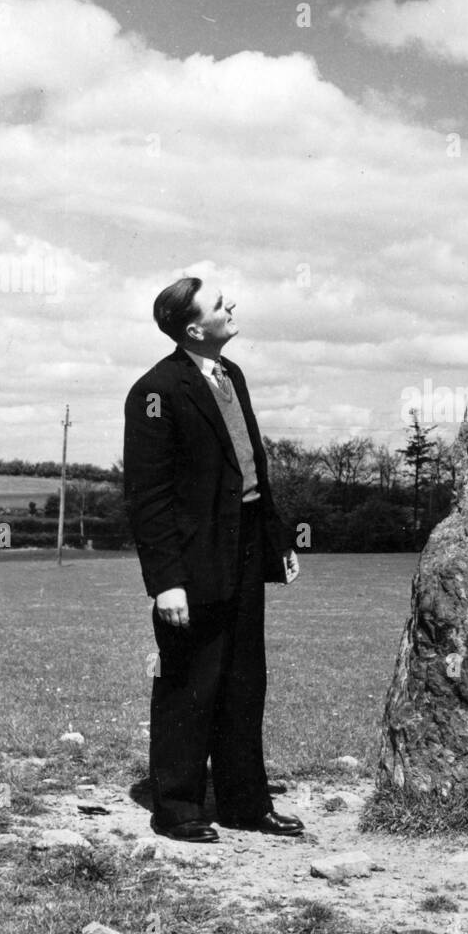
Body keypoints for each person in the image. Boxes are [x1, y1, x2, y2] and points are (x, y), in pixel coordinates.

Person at [123, 276, 304, 843]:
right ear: (194, 328)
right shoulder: (155, 391)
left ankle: (245, 804)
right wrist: (167, 582)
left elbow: (250, 469)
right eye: (220, 304)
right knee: (189, 679)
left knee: (244, 679)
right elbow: (147, 497)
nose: (232, 307)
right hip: (192, 559)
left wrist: (277, 543)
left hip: (246, 547)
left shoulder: (232, 375)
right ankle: (176, 808)